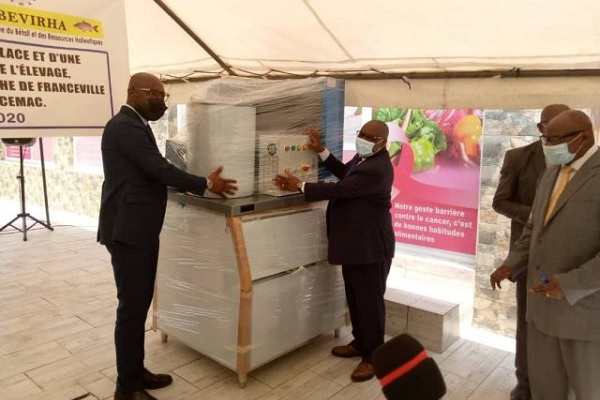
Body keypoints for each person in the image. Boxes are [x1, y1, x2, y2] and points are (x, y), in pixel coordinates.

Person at [98, 72, 237, 400]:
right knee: (131, 309)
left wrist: (191, 178)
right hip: (128, 230)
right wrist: (204, 183)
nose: (159, 100)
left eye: (162, 95)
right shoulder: (124, 126)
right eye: (153, 94)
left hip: (139, 228)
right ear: (132, 91)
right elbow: (158, 169)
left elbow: (153, 170)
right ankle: (126, 387)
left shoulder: (138, 124)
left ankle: (136, 371)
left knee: (139, 304)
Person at [490, 109, 600, 400]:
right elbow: (533, 228)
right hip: (540, 310)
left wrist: (569, 283)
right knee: (545, 389)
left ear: (584, 137)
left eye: (555, 140)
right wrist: (510, 265)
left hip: (582, 313)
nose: (548, 146)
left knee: (584, 390)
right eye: (544, 138)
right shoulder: (551, 174)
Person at [275, 120, 395, 382]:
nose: (363, 138)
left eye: (369, 136)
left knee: (370, 303)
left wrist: (300, 185)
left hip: (372, 247)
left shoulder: (378, 167)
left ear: (383, 142)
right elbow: (343, 173)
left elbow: (340, 190)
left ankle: (373, 357)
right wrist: (321, 150)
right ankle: (360, 343)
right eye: (361, 133)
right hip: (357, 245)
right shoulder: (364, 159)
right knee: (355, 296)